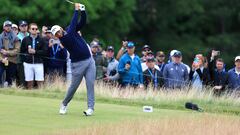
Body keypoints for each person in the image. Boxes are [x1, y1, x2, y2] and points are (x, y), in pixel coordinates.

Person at [51, 3, 95, 116]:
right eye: (56, 34)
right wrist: (76, 11)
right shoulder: (64, 39)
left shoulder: (70, 30)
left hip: (90, 61)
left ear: (61, 29)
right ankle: (64, 104)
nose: (59, 33)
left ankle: (90, 108)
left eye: (58, 31)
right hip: (78, 65)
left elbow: (81, 23)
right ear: (56, 36)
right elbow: (73, 26)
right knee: (73, 87)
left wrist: (83, 11)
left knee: (90, 84)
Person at [20, 23, 48, 89]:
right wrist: (25, 59)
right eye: (33, 29)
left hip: (38, 63)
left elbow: (45, 51)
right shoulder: (25, 39)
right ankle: (30, 94)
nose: (35, 30)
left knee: (40, 80)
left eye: (36, 29)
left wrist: (35, 52)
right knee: (29, 81)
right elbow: (22, 52)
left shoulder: (42, 40)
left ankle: (41, 95)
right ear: (29, 30)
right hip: (28, 63)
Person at [0, 20, 20, 87]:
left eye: (9, 26)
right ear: (3, 27)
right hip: (2, 59)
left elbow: (17, 51)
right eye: (6, 26)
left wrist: (7, 52)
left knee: (10, 79)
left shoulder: (16, 38)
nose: (8, 27)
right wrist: (1, 59)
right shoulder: (0, 37)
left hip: (12, 60)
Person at [16, 20, 29, 87]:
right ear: (19, 27)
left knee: (29, 77)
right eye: (22, 26)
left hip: (29, 60)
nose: (24, 27)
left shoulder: (30, 35)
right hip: (20, 60)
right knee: (22, 77)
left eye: (25, 26)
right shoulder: (17, 37)